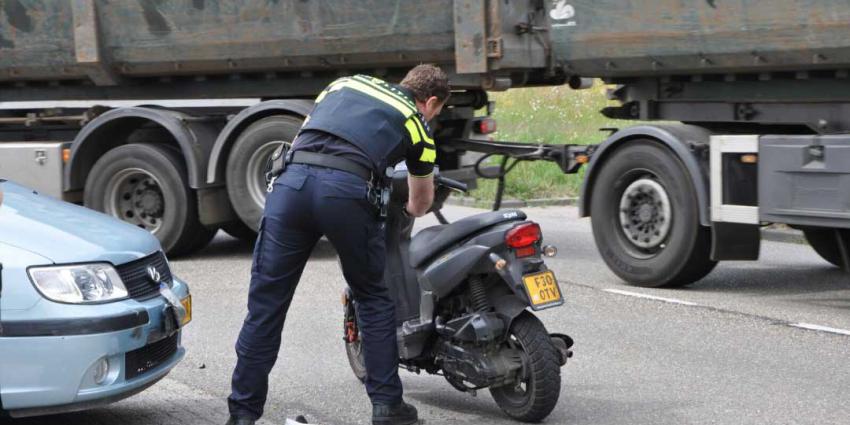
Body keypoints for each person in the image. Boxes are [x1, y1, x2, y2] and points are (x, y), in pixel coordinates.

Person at [226, 65, 450, 425]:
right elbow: (420, 203)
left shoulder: (345, 83)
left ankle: (241, 414)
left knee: (265, 306)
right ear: (432, 102)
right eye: (436, 112)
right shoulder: (416, 123)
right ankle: (388, 407)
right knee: (373, 299)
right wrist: (403, 207)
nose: (433, 117)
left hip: (291, 187)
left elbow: (304, 135)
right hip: (346, 194)